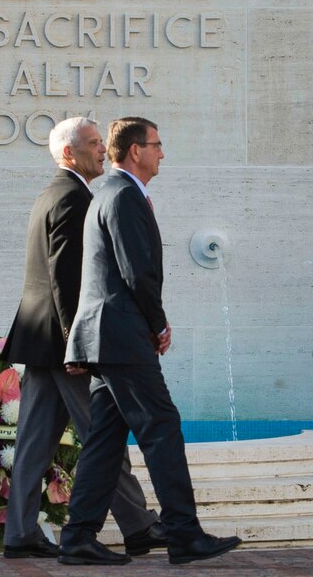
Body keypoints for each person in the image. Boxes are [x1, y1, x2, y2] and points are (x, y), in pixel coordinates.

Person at [58, 117, 242, 566]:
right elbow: (136, 271)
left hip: (108, 337)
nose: (162, 153)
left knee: (104, 439)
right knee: (162, 427)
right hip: (120, 337)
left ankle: (78, 536)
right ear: (135, 150)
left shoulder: (109, 193)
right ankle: (183, 533)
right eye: (156, 145)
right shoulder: (122, 195)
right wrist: (158, 325)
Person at [1, 117, 164, 560]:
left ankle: (19, 533)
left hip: (38, 339)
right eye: (93, 144)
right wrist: (78, 341)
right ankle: (139, 525)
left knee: (34, 443)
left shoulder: (51, 193)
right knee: (104, 436)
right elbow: (65, 278)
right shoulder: (75, 198)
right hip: (63, 343)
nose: (101, 151)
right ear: (69, 153)